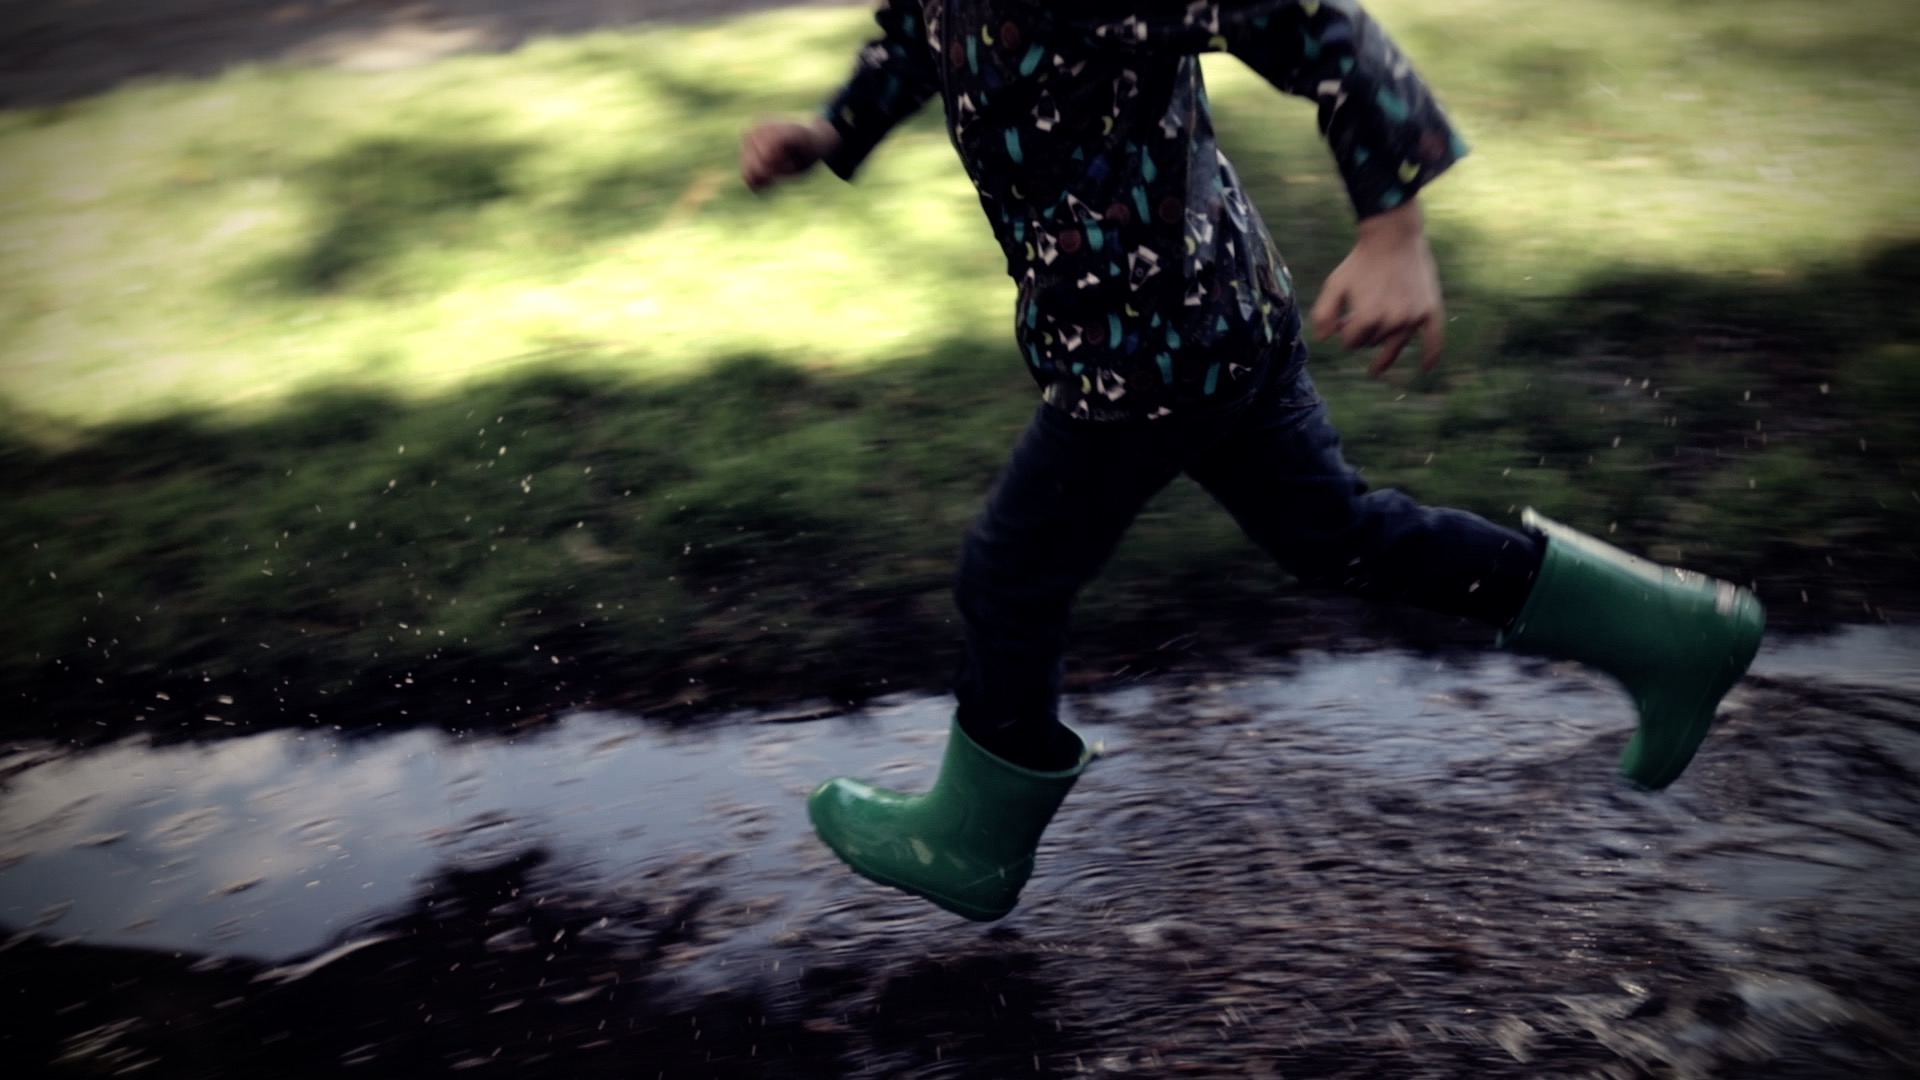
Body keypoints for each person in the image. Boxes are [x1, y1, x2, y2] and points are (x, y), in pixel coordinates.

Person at [739, 0, 1764, 922]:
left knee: (1010, 571)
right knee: (1335, 535)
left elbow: (1320, 25)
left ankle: (970, 839)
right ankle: (1668, 632)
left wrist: (1393, 228)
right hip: (1221, 317)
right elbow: (920, 35)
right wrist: (832, 129)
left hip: (1146, 354)